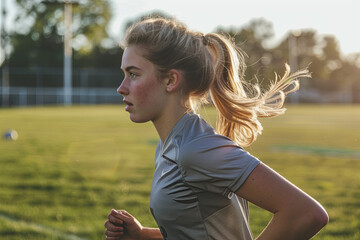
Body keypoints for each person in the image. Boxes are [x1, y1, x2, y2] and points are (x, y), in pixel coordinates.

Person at [104, 16, 328, 240]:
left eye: (133, 74)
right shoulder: (170, 145)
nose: (121, 88)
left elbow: (305, 214)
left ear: (171, 80)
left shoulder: (194, 149)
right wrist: (142, 234)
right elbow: (196, 228)